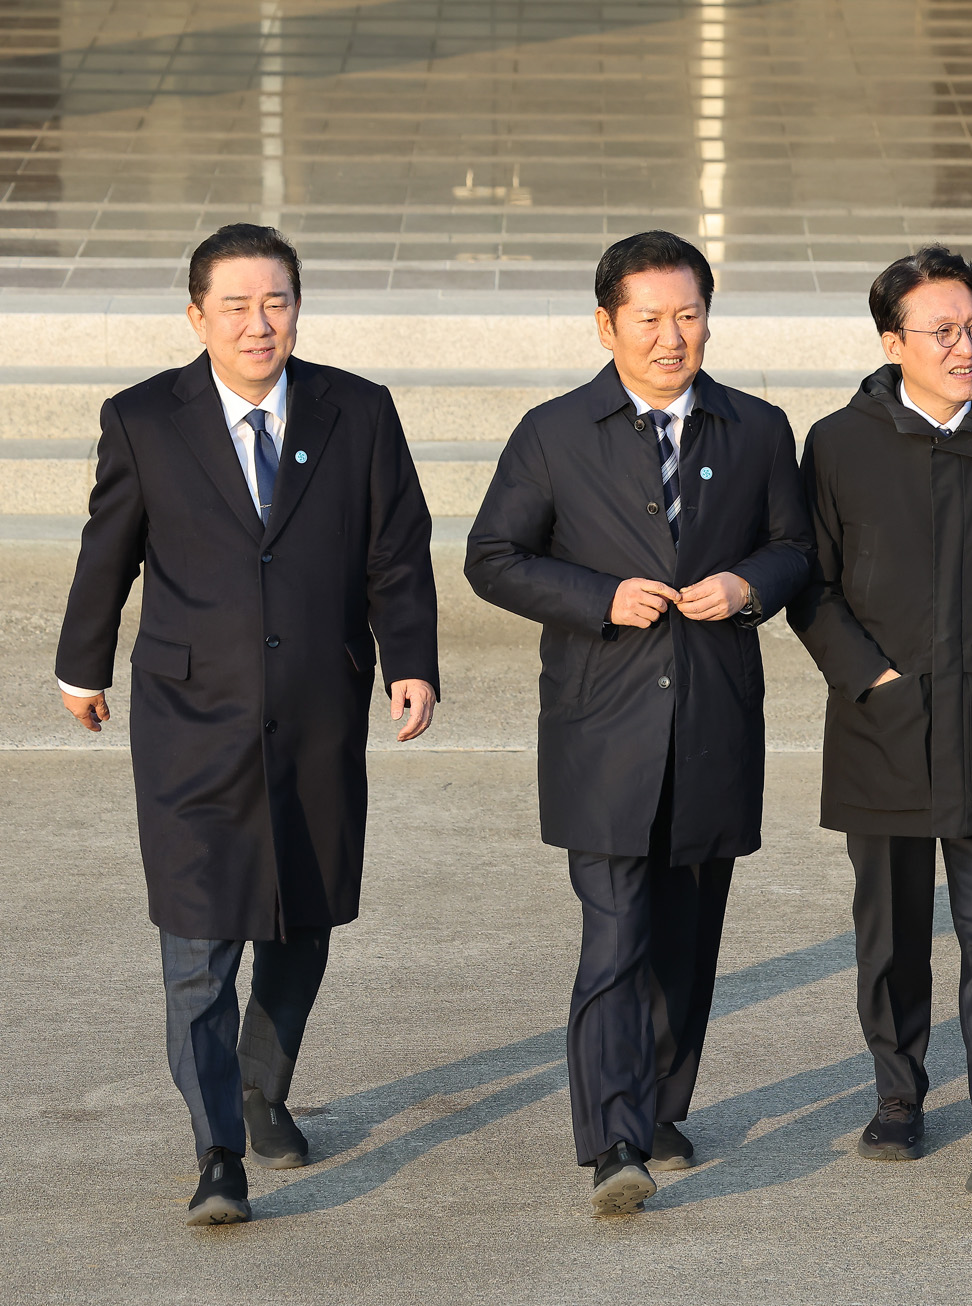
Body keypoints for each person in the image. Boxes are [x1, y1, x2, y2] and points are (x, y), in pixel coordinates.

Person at [54, 224, 440, 1225]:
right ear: (198, 317)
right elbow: (109, 549)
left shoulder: (358, 410)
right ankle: (217, 1150)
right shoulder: (145, 417)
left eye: (276, 301)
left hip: (317, 712)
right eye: (236, 305)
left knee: (303, 919)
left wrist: (410, 661)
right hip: (190, 719)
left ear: (298, 308)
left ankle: (264, 1085)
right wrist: (81, 663)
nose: (258, 322)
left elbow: (397, 550)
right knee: (198, 937)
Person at [464, 231, 812, 1215]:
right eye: (649, 318)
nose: (671, 337)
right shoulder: (554, 432)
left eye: (688, 315)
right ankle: (613, 1138)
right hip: (603, 726)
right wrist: (598, 597)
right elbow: (492, 556)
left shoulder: (754, 428)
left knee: (688, 942)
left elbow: (795, 547)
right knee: (615, 936)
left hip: (712, 722)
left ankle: (660, 1108)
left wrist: (747, 585)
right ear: (605, 324)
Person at [789, 246, 972, 1195]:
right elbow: (811, 585)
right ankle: (898, 1094)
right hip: (880, 727)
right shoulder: (838, 445)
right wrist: (871, 681)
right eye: (943, 331)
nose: (966, 347)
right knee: (890, 934)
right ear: (893, 342)